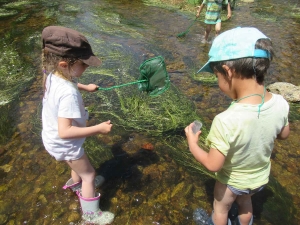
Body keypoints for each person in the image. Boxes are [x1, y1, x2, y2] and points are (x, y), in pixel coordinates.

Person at [185, 27, 290, 225]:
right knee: (245, 202)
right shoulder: (281, 103)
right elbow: (284, 134)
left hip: (232, 183)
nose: (218, 82)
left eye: (217, 77)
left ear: (227, 72)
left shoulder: (226, 120)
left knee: (220, 207)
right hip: (259, 179)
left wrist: (192, 143)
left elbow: (213, 164)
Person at [41, 26, 114, 225]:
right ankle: (90, 217)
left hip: (53, 140)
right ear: (65, 64)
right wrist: (98, 128)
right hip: (64, 142)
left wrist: (85, 87)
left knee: (76, 162)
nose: (87, 67)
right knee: (90, 174)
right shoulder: (68, 95)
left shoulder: (51, 73)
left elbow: (68, 83)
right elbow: (66, 131)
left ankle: (75, 185)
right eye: (84, 64)